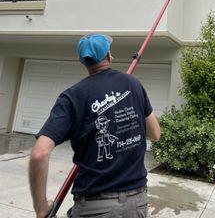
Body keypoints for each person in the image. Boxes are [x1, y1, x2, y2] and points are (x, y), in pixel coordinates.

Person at [29, 33, 161, 218]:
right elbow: (155, 133)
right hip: (137, 202)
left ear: (82, 61)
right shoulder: (133, 84)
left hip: (94, 206)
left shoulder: (72, 97)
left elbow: (39, 153)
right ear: (108, 55)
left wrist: (41, 208)